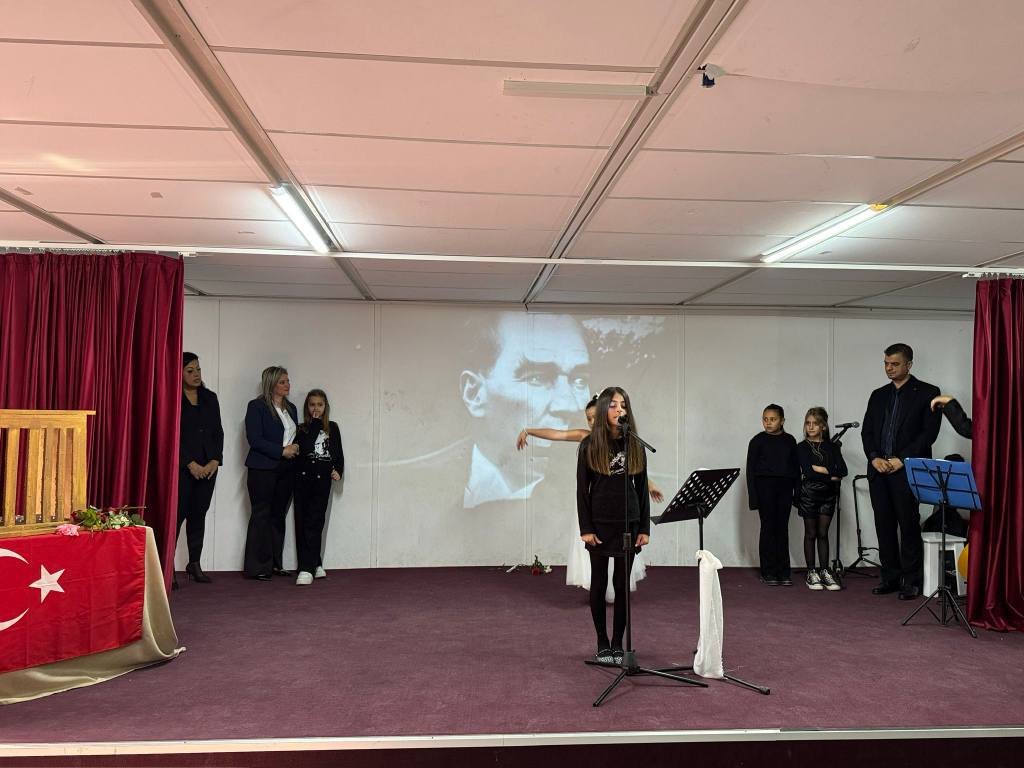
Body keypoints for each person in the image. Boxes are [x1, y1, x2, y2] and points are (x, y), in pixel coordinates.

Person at [516, 395, 664, 601]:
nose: (592, 422)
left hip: (618, 510)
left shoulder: (624, 440)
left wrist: (649, 484)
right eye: (588, 418)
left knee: (620, 557)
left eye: (596, 417)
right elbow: (557, 434)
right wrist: (528, 430)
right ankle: (597, 589)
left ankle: (615, 592)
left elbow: (625, 470)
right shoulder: (587, 439)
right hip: (596, 507)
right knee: (596, 556)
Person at [461, 312, 591, 508]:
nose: (570, 406)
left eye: (579, 380)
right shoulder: (424, 482)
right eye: (536, 377)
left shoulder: (601, 482)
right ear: (474, 394)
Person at [862, 343, 941, 600]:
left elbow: (928, 434)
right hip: (878, 469)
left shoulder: (928, 392)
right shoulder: (878, 394)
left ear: (909, 364)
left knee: (908, 525)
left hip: (906, 470)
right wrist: (874, 457)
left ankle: (911, 581)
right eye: (886, 363)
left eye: (894, 364)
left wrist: (902, 459)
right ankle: (890, 578)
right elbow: (867, 431)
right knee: (883, 525)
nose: (889, 368)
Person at [577, 387, 650, 663]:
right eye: (613, 405)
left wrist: (644, 528)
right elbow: (582, 491)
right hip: (599, 524)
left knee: (621, 585)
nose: (619, 409)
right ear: (603, 408)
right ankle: (602, 642)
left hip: (628, 524)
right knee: (598, 583)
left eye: (623, 405)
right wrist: (586, 527)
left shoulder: (634, 444)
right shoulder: (589, 445)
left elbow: (641, 489)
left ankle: (618, 643)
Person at [243, 366, 299, 580]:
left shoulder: (291, 408)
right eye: (282, 381)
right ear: (271, 383)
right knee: (261, 515)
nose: (287, 385)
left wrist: (295, 447)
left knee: (278, 515)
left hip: (286, 469)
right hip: (263, 468)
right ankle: (257, 567)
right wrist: (281, 450)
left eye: (288, 381)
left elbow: (292, 435)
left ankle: (275, 563)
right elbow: (255, 439)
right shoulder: (257, 406)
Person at [176, 352, 223, 586]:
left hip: (208, 468)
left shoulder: (209, 398)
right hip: (183, 469)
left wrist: (215, 460)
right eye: (190, 370)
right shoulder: (173, 399)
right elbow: (171, 435)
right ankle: (166, 567)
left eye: (198, 369)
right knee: (177, 517)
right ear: (179, 373)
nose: (196, 374)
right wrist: (189, 463)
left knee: (198, 516)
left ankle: (194, 563)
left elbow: (218, 432)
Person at [293, 389, 344, 586]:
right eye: (312, 404)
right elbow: (305, 450)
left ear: (325, 407)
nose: (316, 408)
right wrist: (314, 424)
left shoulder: (333, 427)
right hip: (303, 480)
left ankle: (312, 564)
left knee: (316, 522)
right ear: (307, 407)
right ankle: (309, 566)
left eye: (320, 405)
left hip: (322, 481)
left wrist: (338, 469)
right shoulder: (302, 428)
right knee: (304, 522)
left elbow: (338, 452)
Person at [746, 404, 799, 586]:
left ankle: (783, 572)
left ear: (782, 421)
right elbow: (750, 471)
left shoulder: (790, 441)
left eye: (773, 419)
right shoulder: (757, 441)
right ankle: (768, 571)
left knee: (782, 529)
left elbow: (796, 470)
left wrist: (797, 494)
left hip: (785, 489)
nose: (768, 423)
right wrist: (753, 498)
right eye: (765, 419)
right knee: (768, 528)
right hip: (764, 489)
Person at [795, 407, 847, 591]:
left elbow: (843, 471)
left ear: (823, 426)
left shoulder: (832, 447)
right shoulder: (801, 447)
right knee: (811, 534)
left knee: (823, 534)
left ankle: (825, 571)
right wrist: (831, 474)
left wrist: (822, 470)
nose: (810, 427)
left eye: (815, 424)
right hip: (808, 494)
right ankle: (811, 572)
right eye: (808, 423)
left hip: (828, 496)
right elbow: (808, 473)